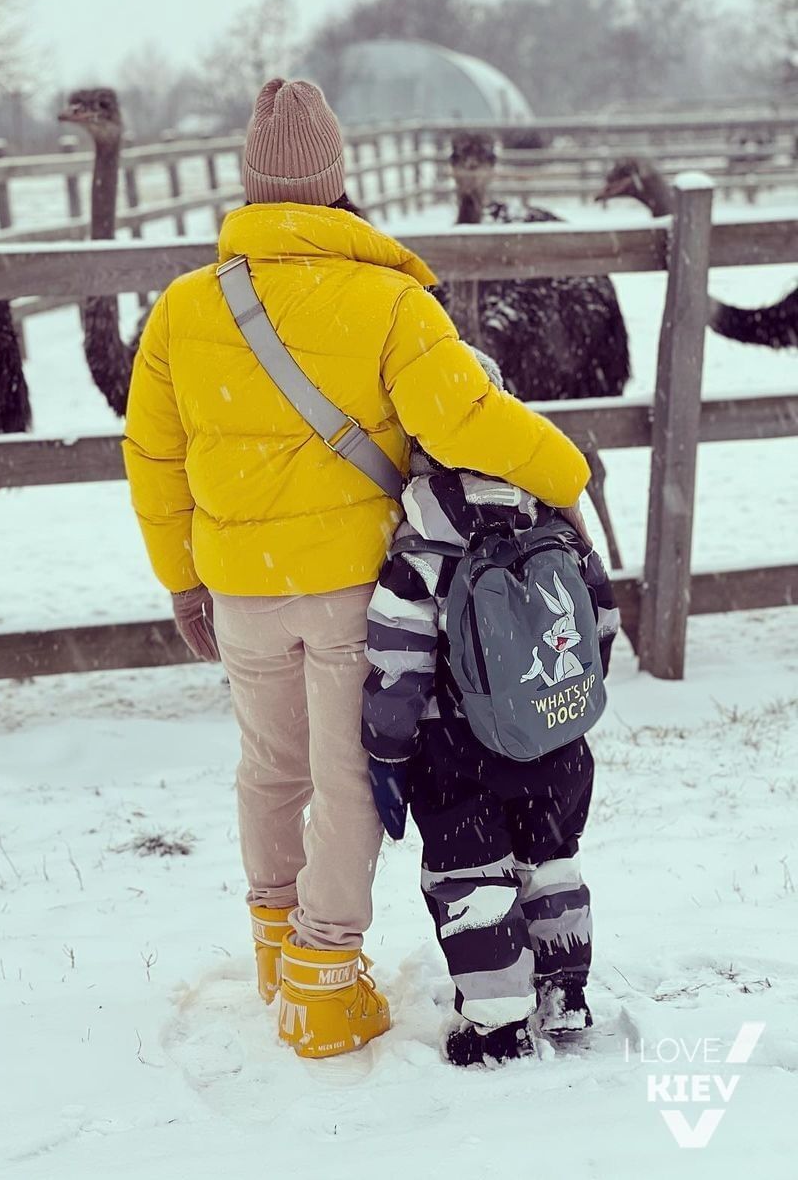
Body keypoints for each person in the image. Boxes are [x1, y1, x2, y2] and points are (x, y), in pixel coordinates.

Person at [122, 77, 591, 1060]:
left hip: (240, 586)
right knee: (347, 781)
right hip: (355, 593)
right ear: (335, 184)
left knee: (269, 769)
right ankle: (326, 982)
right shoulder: (388, 303)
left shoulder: (183, 308)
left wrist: (181, 575)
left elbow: (155, 459)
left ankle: (272, 949)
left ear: (251, 186)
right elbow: (465, 419)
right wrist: (565, 470)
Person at [362, 359, 619, 1066]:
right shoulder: (548, 500)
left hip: (456, 746)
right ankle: (564, 989)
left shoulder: (428, 524)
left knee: (473, 878)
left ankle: (498, 1026)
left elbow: (398, 645)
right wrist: (555, 707)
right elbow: (599, 618)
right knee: (551, 861)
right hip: (555, 739)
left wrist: (387, 744)